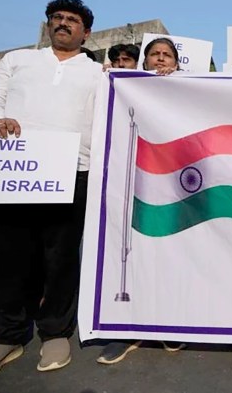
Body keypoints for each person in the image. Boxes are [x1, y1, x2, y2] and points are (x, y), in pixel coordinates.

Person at [0, 0, 103, 382]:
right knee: (10, 257)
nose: (63, 24)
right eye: (56, 18)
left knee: (61, 258)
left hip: (74, 171)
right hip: (15, 169)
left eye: (72, 20)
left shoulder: (97, 73)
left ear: (85, 32)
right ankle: (6, 337)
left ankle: (55, 332)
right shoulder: (18, 61)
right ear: (46, 26)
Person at [96, 36, 182, 366]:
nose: (160, 60)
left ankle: (168, 325)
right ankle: (127, 329)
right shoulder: (122, 85)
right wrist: (108, 81)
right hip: (128, 182)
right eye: (154, 55)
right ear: (143, 61)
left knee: (168, 256)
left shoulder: (188, 86)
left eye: (167, 55)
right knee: (129, 256)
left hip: (172, 187)